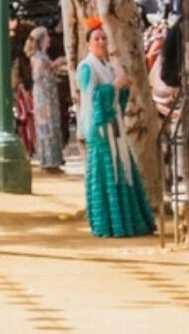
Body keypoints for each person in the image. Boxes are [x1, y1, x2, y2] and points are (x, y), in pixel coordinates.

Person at [75, 21, 157, 237]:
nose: (101, 42)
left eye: (103, 38)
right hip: (99, 128)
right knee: (105, 171)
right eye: (96, 39)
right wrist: (115, 86)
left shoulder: (109, 66)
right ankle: (108, 224)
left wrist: (122, 89)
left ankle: (130, 221)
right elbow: (92, 97)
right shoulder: (86, 67)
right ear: (88, 44)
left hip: (116, 124)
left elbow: (116, 99)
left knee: (124, 168)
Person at [27, 27, 66, 172]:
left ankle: (53, 158)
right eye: (47, 37)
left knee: (51, 125)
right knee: (47, 126)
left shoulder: (42, 56)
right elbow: (39, 76)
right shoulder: (39, 58)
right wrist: (52, 66)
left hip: (48, 94)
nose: (49, 39)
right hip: (44, 95)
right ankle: (49, 160)